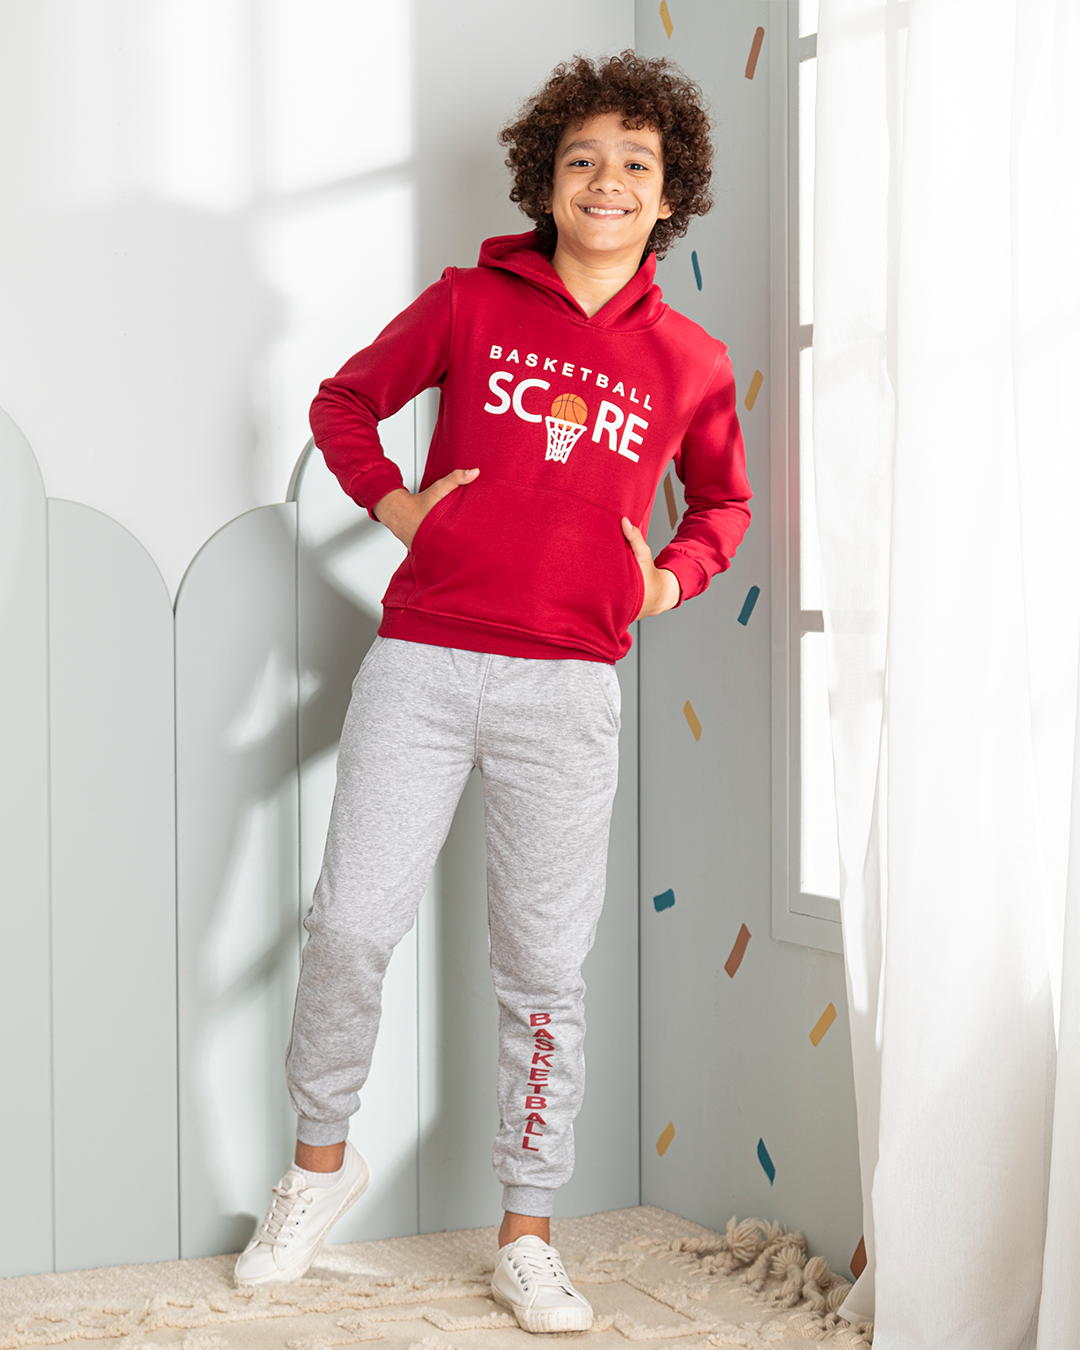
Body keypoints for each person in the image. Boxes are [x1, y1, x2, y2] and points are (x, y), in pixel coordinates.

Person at [234, 50, 751, 1332]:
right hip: (424, 662)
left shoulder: (690, 359)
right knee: (351, 925)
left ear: (670, 191)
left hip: (568, 690)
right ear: (545, 179)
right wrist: (400, 506)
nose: (607, 180)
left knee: (543, 969)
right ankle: (317, 1168)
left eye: (636, 163)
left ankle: (527, 1229)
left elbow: (724, 504)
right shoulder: (471, 303)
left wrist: (667, 582)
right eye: (583, 158)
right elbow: (345, 402)